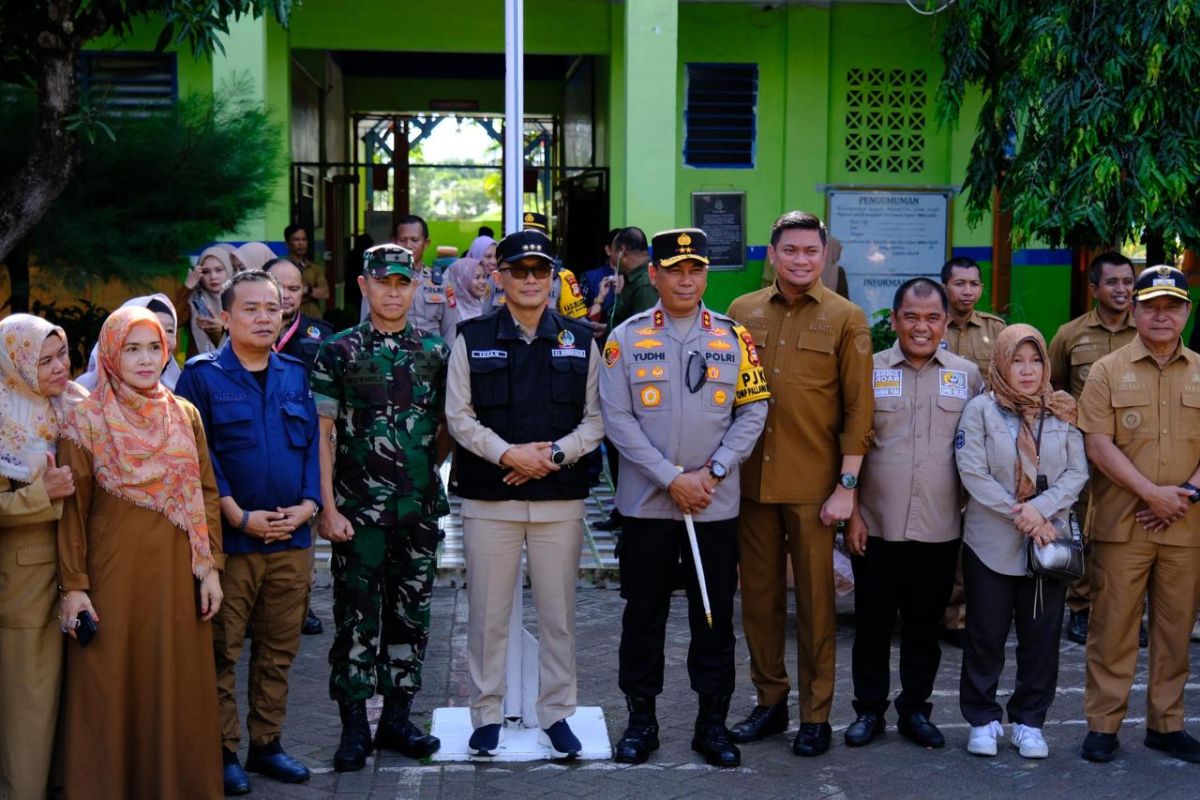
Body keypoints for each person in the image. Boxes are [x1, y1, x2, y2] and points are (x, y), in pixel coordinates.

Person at [600, 228, 769, 768]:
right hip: (648, 507)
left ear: (705, 275)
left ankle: (711, 724)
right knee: (642, 615)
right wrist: (671, 478)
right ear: (653, 275)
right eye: (674, 269)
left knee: (713, 616)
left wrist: (713, 471)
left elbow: (754, 411)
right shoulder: (623, 339)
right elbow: (617, 420)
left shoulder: (732, 337)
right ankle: (641, 722)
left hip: (713, 505)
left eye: (695, 269)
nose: (686, 279)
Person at [446, 229, 603, 759]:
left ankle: (556, 713)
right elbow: (458, 417)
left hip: (560, 499)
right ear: (501, 277)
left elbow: (596, 420)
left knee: (559, 615)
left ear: (553, 276)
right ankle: (486, 714)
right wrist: (510, 455)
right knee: (488, 615)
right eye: (519, 270)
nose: (531, 279)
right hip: (491, 499)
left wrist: (551, 456)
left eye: (540, 270)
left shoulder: (581, 340)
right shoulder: (471, 336)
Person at [57, 307, 225, 799]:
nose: (146, 359)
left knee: (176, 687)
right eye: (132, 348)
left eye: (154, 347)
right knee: (111, 685)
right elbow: (72, 512)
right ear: (110, 352)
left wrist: (210, 567)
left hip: (178, 579)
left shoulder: (183, 413)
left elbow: (206, 492)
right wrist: (75, 588)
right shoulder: (84, 420)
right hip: (113, 582)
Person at [726, 211, 873, 757]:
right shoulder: (742, 312)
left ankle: (816, 715)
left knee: (815, 606)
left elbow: (860, 410)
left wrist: (847, 486)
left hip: (815, 487)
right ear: (772, 253)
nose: (801, 260)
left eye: (812, 251)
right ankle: (769, 702)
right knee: (759, 603)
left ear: (825, 254)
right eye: (791, 250)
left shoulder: (846, 318)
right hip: (749, 483)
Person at [175, 270, 321, 795]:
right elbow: (198, 457)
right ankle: (224, 750)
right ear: (226, 316)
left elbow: (312, 446)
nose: (264, 317)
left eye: (273, 308)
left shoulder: (296, 372)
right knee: (221, 651)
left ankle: (268, 745)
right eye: (251, 309)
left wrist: (309, 505)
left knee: (278, 651)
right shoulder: (202, 376)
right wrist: (238, 516)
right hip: (232, 543)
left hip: (292, 539)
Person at [311, 244, 449, 771]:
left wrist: (420, 478)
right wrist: (328, 508)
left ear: (415, 287)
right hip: (357, 515)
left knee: (410, 617)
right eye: (382, 282)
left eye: (402, 282)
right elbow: (322, 436)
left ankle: (396, 719)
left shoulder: (435, 352)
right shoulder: (338, 351)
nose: (393, 292)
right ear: (364, 287)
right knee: (354, 619)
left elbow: (444, 430)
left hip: (417, 513)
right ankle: (353, 728)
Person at [843, 279, 982, 750]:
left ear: (946, 322)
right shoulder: (868, 370)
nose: (922, 327)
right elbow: (849, 445)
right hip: (876, 525)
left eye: (932, 318)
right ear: (895, 318)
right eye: (911, 317)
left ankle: (916, 710)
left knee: (924, 628)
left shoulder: (968, 375)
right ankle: (868, 711)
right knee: (873, 625)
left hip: (941, 527)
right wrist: (853, 514)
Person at [1077, 265, 1200, 764]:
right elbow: (1096, 442)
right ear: (1135, 310)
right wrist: (1152, 492)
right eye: (1151, 306)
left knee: (1174, 631)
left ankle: (1165, 724)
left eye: (1172, 306)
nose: (1161, 316)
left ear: (1187, 311)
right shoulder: (1108, 370)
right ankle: (1103, 725)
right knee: (1113, 627)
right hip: (1123, 524)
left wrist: (1187, 493)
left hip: (1186, 524)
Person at [955, 324, 1087, 759]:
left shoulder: (1063, 408)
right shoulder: (980, 411)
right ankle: (982, 719)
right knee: (985, 635)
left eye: (1035, 360)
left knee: (1040, 637)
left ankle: (1030, 722)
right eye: (1017, 360)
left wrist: (1040, 509)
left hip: (1046, 546)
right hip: (990, 543)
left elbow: (1077, 472)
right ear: (1000, 363)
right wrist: (1026, 516)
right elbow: (972, 472)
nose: (1027, 370)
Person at [0, 315, 79, 800]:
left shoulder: (80, 406)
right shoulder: (3, 415)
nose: (57, 368)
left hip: (85, 576)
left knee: (77, 704)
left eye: (63, 355)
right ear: (16, 363)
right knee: (29, 708)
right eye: (42, 359)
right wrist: (41, 495)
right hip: (24, 586)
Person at [1047, 252, 1138, 645]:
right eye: (1113, 282)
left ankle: (1129, 612)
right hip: (1082, 452)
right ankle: (1081, 609)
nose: (1122, 289)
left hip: (1135, 452)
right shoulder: (1070, 334)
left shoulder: (1145, 331)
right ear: (1094, 288)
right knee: (1082, 528)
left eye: (1127, 282)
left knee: (1131, 531)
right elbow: (1054, 389)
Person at [939, 256, 1008, 645]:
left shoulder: (996, 331)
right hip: (937, 443)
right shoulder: (930, 324)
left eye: (974, 284)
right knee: (940, 530)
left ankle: (962, 616)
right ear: (945, 285)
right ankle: (937, 608)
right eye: (959, 283)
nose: (967, 291)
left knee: (975, 530)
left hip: (984, 447)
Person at [264, 257, 334, 637]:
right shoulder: (246, 331)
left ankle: (301, 606)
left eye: (293, 288)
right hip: (258, 444)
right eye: (278, 286)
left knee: (303, 530)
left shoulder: (321, 336)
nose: (286, 295)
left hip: (305, 447)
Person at [78, 293, 182, 392]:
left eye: (169, 331)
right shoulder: (81, 399)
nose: (164, 340)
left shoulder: (180, 399)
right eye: (133, 348)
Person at [394, 215, 459, 340]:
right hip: (395, 355)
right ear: (395, 242)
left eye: (414, 240)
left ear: (426, 243)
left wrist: (448, 358)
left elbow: (450, 331)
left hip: (433, 356)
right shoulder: (381, 282)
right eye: (402, 240)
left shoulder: (442, 283)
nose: (408, 245)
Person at [176, 245, 231, 357]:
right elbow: (173, 320)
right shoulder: (196, 301)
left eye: (219, 270)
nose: (213, 276)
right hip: (199, 371)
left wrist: (224, 328)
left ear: (229, 270)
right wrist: (188, 286)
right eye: (206, 272)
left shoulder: (240, 300)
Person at [609, 226, 657, 330]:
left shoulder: (645, 286)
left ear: (621, 251)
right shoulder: (633, 279)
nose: (610, 256)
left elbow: (647, 332)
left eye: (612, 251)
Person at [285, 224, 330, 319]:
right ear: (288, 243)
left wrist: (307, 290)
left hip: (313, 316)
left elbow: (325, 293)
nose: (301, 243)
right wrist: (312, 292)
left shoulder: (315, 268)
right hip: (291, 316)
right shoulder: (283, 267)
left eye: (304, 239)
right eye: (296, 240)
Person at [446, 257, 488, 321]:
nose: (483, 282)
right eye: (477, 277)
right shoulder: (450, 309)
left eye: (484, 277)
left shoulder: (485, 303)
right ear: (461, 280)